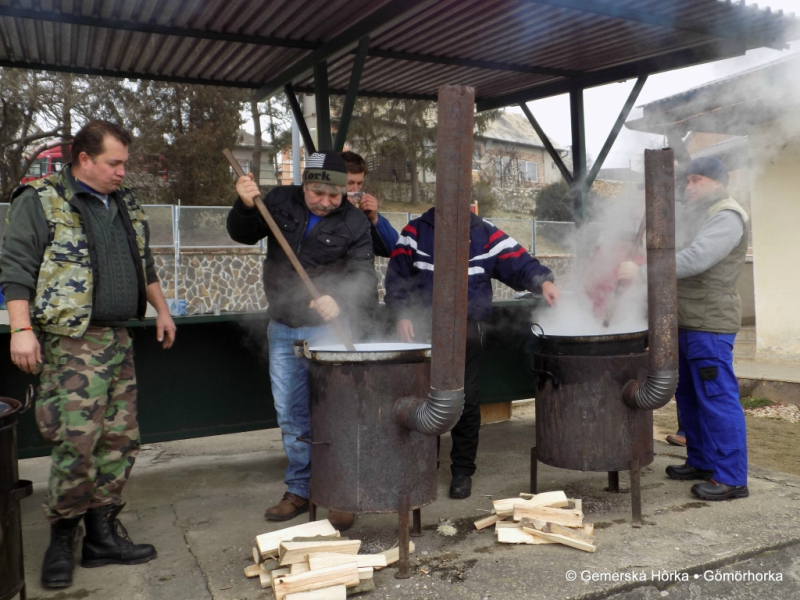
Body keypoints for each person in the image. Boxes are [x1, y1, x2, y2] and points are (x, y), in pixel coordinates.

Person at [0, 120, 177, 588]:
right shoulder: (40, 199)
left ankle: (101, 535)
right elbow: (16, 268)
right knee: (75, 441)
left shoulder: (126, 204)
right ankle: (62, 538)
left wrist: (162, 311)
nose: (122, 172)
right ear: (83, 160)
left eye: (124, 163)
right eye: (114, 163)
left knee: (121, 440)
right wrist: (21, 329)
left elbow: (146, 265)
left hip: (118, 338)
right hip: (71, 340)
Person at [227, 151, 377, 530]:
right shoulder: (277, 201)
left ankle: (340, 490)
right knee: (291, 415)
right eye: (318, 193)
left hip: (329, 330)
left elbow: (365, 280)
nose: (326, 202)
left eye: (334, 195)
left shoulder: (355, 222)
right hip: (283, 326)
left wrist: (338, 300)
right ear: (305, 183)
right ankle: (300, 488)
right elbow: (242, 234)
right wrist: (245, 205)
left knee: (335, 412)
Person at [384, 208, 560, 499]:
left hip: (469, 329)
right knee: (421, 400)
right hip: (423, 331)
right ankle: (424, 466)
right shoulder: (415, 232)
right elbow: (397, 278)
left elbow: (518, 262)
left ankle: (463, 472)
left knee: (466, 402)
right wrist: (402, 314)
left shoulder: (485, 232)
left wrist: (544, 282)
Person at [619, 156, 749, 501]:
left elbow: (697, 258)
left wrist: (644, 273)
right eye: (688, 181)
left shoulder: (727, 215)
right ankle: (702, 461)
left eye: (697, 180)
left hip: (710, 323)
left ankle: (732, 478)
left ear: (718, 182)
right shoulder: (700, 213)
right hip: (686, 320)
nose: (690, 187)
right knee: (689, 395)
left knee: (717, 399)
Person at [340, 151, 399, 256]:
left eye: (359, 183)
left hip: (362, 270)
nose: (355, 189)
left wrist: (375, 219)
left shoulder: (362, 213)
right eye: (349, 183)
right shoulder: (321, 208)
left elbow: (395, 250)